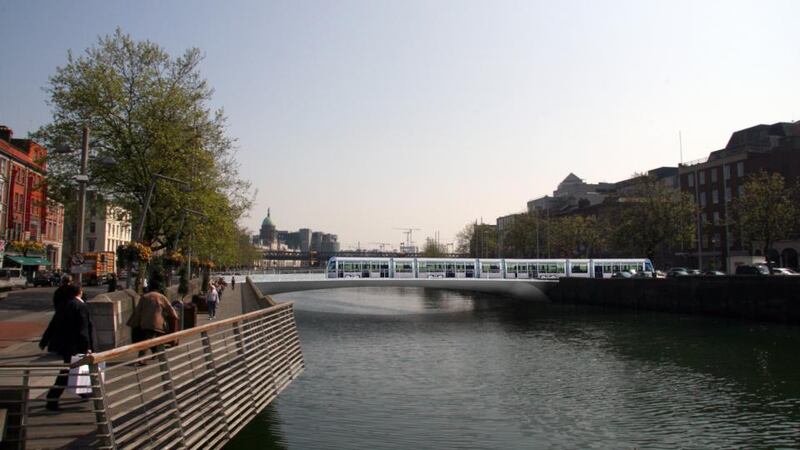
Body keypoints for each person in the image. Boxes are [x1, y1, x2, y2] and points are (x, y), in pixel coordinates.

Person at [39, 284, 93, 411]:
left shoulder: (64, 304)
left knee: (73, 369)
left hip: (64, 344)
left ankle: (82, 391)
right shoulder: (81, 306)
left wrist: (45, 339)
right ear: (79, 292)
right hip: (75, 345)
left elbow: (54, 323)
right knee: (68, 371)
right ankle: (52, 398)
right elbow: (83, 329)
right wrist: (87, 347)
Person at [126, 291, 179, 361]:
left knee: (152, 338)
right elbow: (169, 308)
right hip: (156, 323)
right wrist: (175, 316)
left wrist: (134, 322)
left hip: (145, 322)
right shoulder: (161, 297)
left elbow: (138, 311)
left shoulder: (144, 297)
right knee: (149, 340)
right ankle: (141, 357)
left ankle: (155, 354)